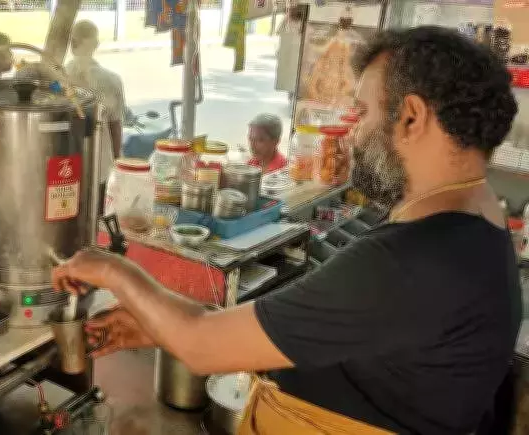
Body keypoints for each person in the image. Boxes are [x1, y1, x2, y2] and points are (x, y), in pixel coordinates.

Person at [51, 27, 522, 434]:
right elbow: (336, 339)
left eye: (362, 112)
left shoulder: (408, 260)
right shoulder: (481, 218)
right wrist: (156, 329)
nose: (354, 133)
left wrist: (113, 270)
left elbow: (199, 344)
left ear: (412, 117)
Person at [65, 20, 128, 211]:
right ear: (96, 45)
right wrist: (118, 160)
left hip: (66, 167)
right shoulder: (112, 80)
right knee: (97, 218)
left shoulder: (60, 76)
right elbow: (115, 126)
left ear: (71, 44)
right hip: (100, 166)